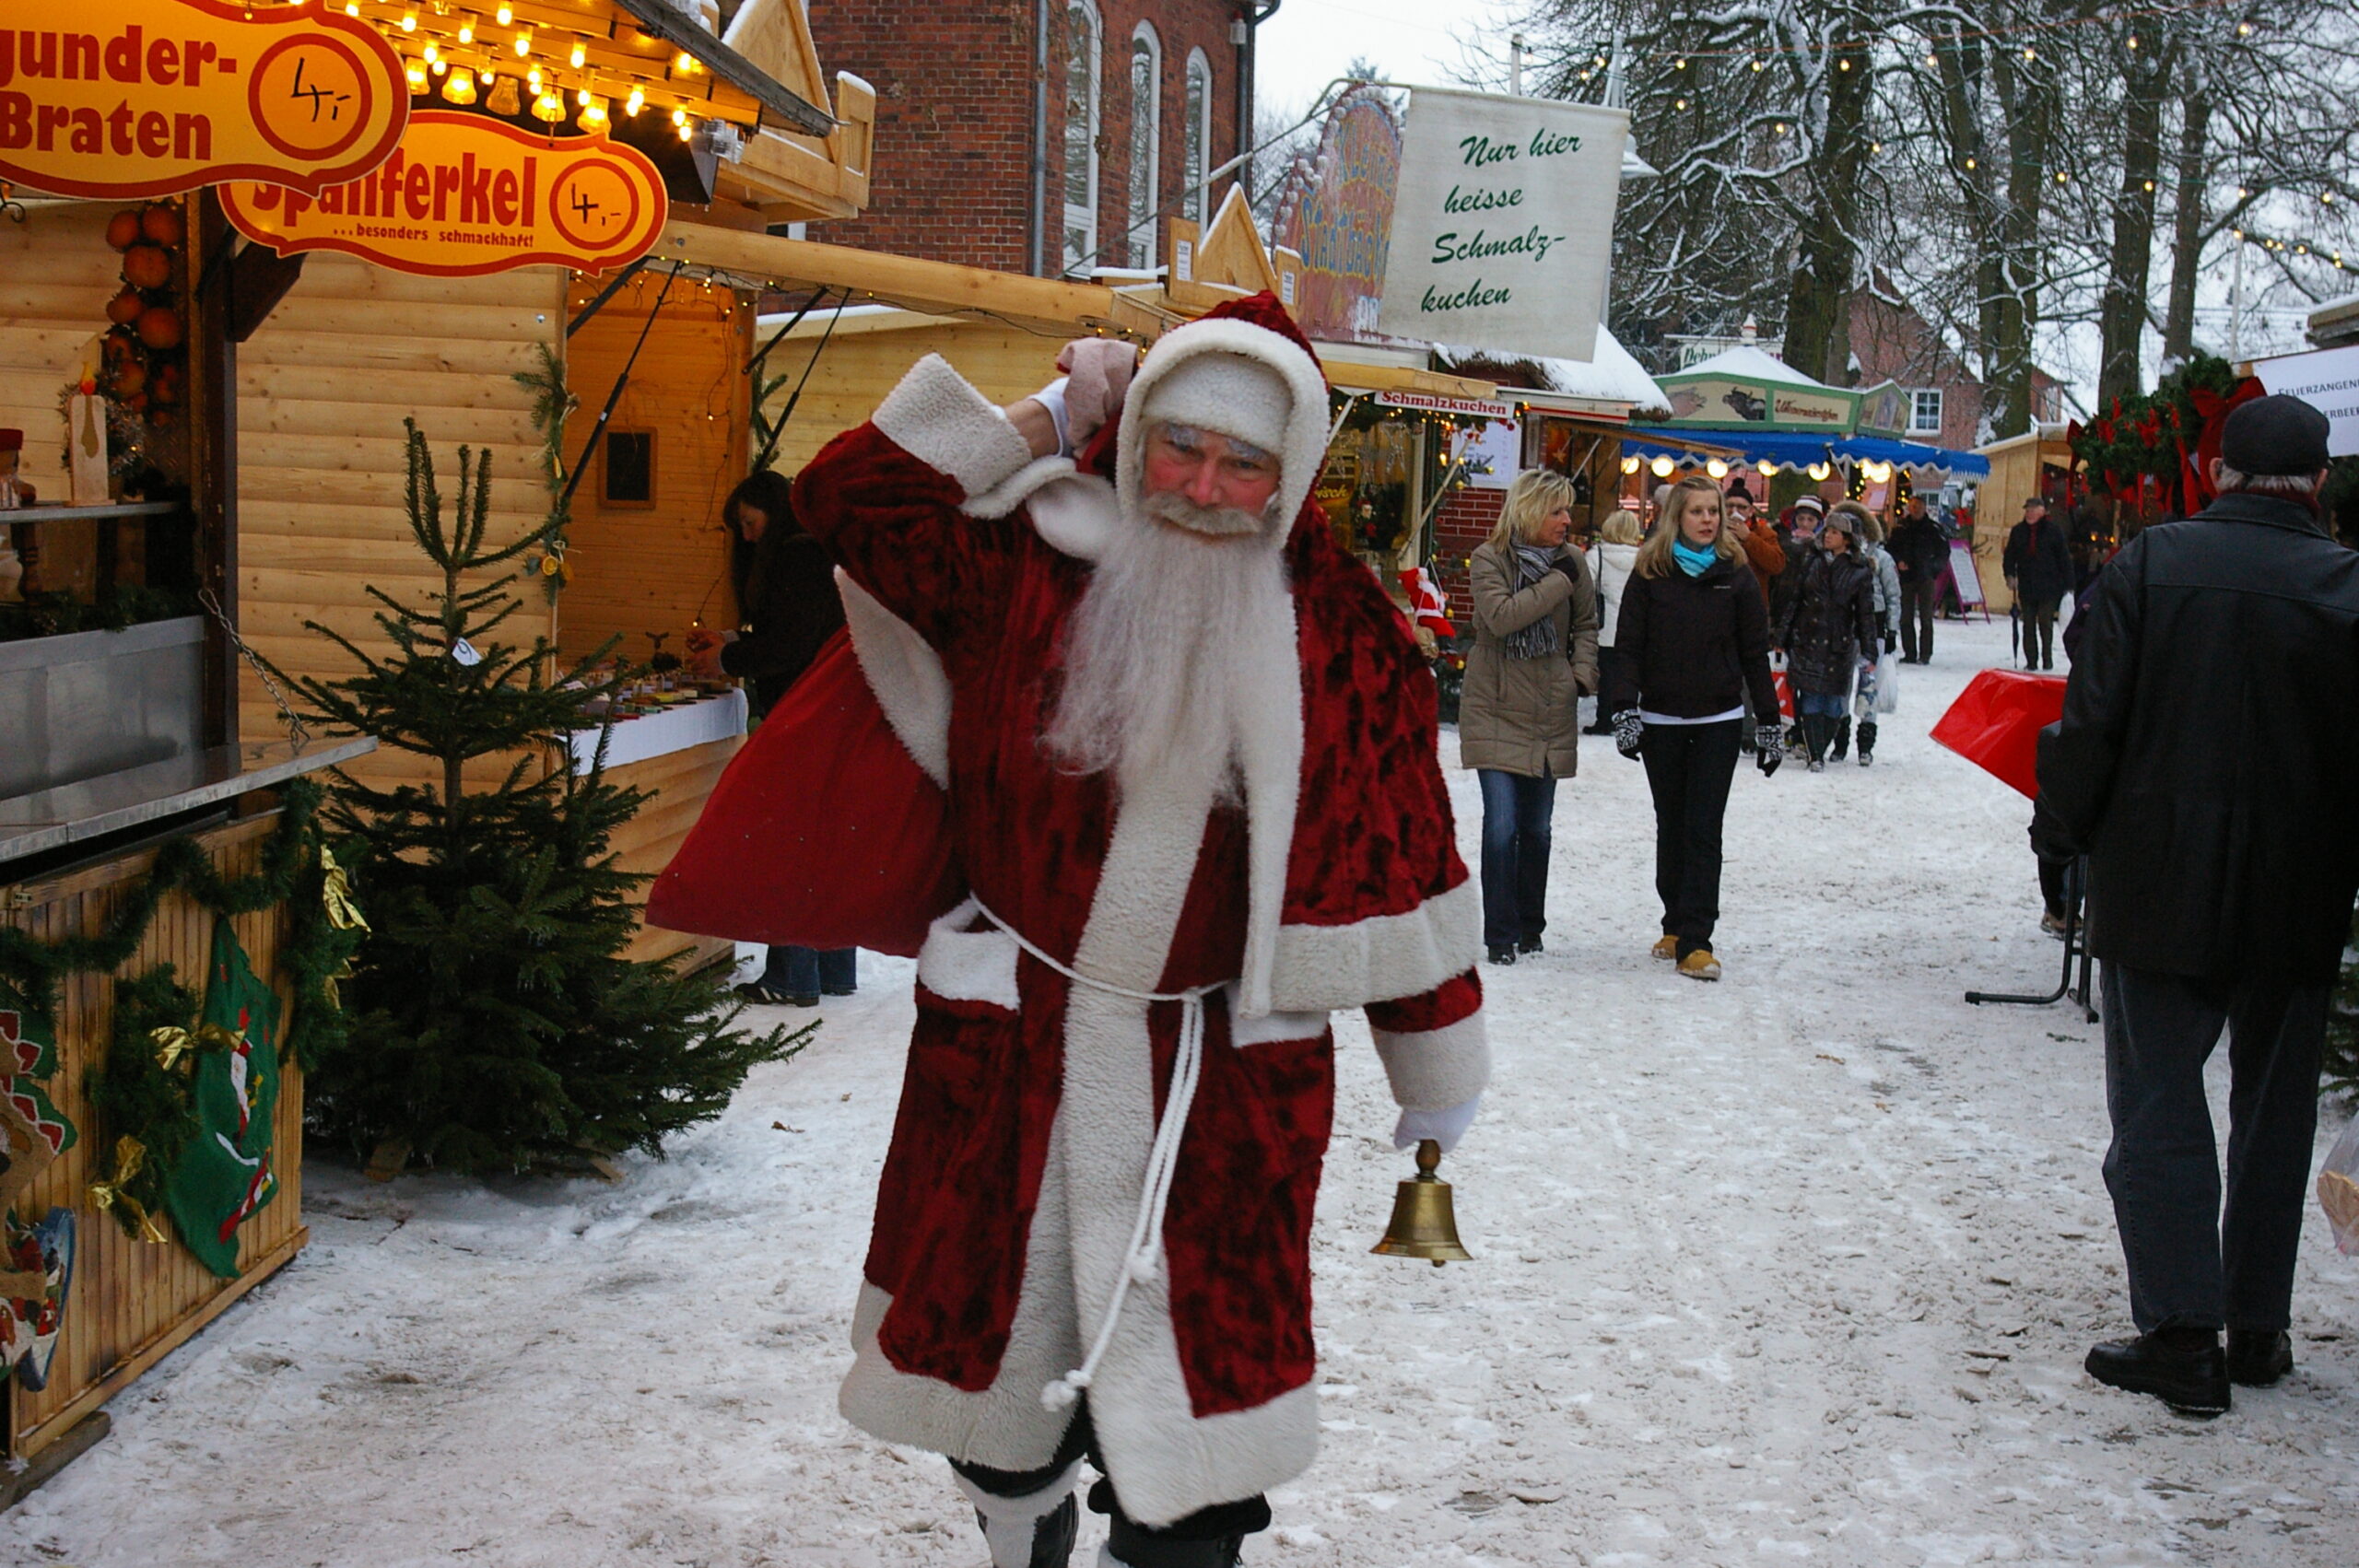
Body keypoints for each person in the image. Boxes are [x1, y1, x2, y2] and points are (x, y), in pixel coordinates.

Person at [789, 295, 1487, 1566]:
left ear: (1292, 474)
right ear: (1136, 431)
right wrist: (1053, 410)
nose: (1205, 486)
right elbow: (849, 492)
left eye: (1244, 462)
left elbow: (1399, 856)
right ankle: (1025, 1513)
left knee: (1200, 1432)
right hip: (1012, 1051)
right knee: (987, 1383)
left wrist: (1435, 1064)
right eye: (1181, 445)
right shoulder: (1024, 559)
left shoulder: (1339, 639)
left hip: (1224, 1080)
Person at [2034, 394, 2355, 1419]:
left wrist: (2061, 830)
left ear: (2216, 471)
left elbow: (2091, 717)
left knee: (2159, 1097)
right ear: (2318, 480)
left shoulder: (2151, 562)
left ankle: (2181, 1330)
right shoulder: (2347, 584)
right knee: (2274, 1107)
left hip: (2157, 869)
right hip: (2299, 880)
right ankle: (2255, 1321)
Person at [1605, 474, 1782, 981]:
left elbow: (1754, 653)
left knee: (1703, 829)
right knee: (1672, 824)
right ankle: (1675, 922)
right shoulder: (1650, 572)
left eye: (1714, 511)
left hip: (1718, 720)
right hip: (1660, 718)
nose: (1708, 520)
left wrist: (1768, 721)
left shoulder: (1738, 574)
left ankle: (1697, 940)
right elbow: (1629, 648)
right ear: (1676, 518)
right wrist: (1624, 709)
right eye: (1698, 511)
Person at [692, 470, 857, 1008]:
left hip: (804, 711)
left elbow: (789, 645)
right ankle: (832, 967)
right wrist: (737, 640)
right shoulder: (818, 551)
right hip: (836, 709)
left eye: (749, 522)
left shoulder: (795, 555)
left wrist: (726, 658)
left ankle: (791, 974)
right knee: (827, 839)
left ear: (773, 512)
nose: (746, 536)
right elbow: (801, 631)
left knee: (791, 841)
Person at [1460, 471, 1599, 965]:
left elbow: (1586, 625)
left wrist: (1579, 676)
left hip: (1548, 706)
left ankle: (1528, 925)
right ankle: (1499, 934)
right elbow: (1501, 617)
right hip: (1494, 706)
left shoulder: (1576, 561)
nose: (1567, 520)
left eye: (1568, 510)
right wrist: (1559, 580)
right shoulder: (1488, 559)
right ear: (1529, 510)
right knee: (1501, 825)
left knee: (1536, 828)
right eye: (1557, 510)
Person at [1778, 505, 1879, 772]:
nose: (1828, 536)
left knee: (1834, 702)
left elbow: (1865, 614)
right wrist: (1783, 635)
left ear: (1847, 538)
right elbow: (1796, 600)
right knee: (1809, 697)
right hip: (1808, 639)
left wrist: (1870, 650)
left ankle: (1821, 747)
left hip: (1839, 643)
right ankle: (1815, 754)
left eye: (1835, 532)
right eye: (1828, 531)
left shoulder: (1859, 570)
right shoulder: (1812, 562)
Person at [1583, 508, 1642, 735]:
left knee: (1607, 676)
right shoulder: (1643, 558)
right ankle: (1626, 718)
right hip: (1633, 627)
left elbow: (1585, 588)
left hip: (1605, 627)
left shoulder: (1596, 555)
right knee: (1628, 676)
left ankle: (1604, 719)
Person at [2003, 495, 2072, 670]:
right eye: (2028, 510)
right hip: (2027, 585)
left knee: (2045, 622)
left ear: (2042, 512)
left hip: (2049, 585)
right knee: (2028, 624)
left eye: (2033, 510)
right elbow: (2010, 556)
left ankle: (2047, 658)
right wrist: (2010, 575)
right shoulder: (2018, 531)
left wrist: (2069, 586)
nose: (2030, 513)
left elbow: (2064, 559)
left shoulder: (2053, 531)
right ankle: (2031, 661)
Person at [1888, 493, 1948, 663]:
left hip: (1925, 577)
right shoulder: (1901, 529)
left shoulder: (1933, 529)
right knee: (1906, 617)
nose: (1916, 510)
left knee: (1926, 617)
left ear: (1925, 509)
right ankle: (1910, 653)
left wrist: (1934, 569)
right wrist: (1898, 561)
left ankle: (1925, 654)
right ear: (1909, 508)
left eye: (1919, 507)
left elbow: (1943, 552)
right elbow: (1890, 548)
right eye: (1913, 507)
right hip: (1906, 578)